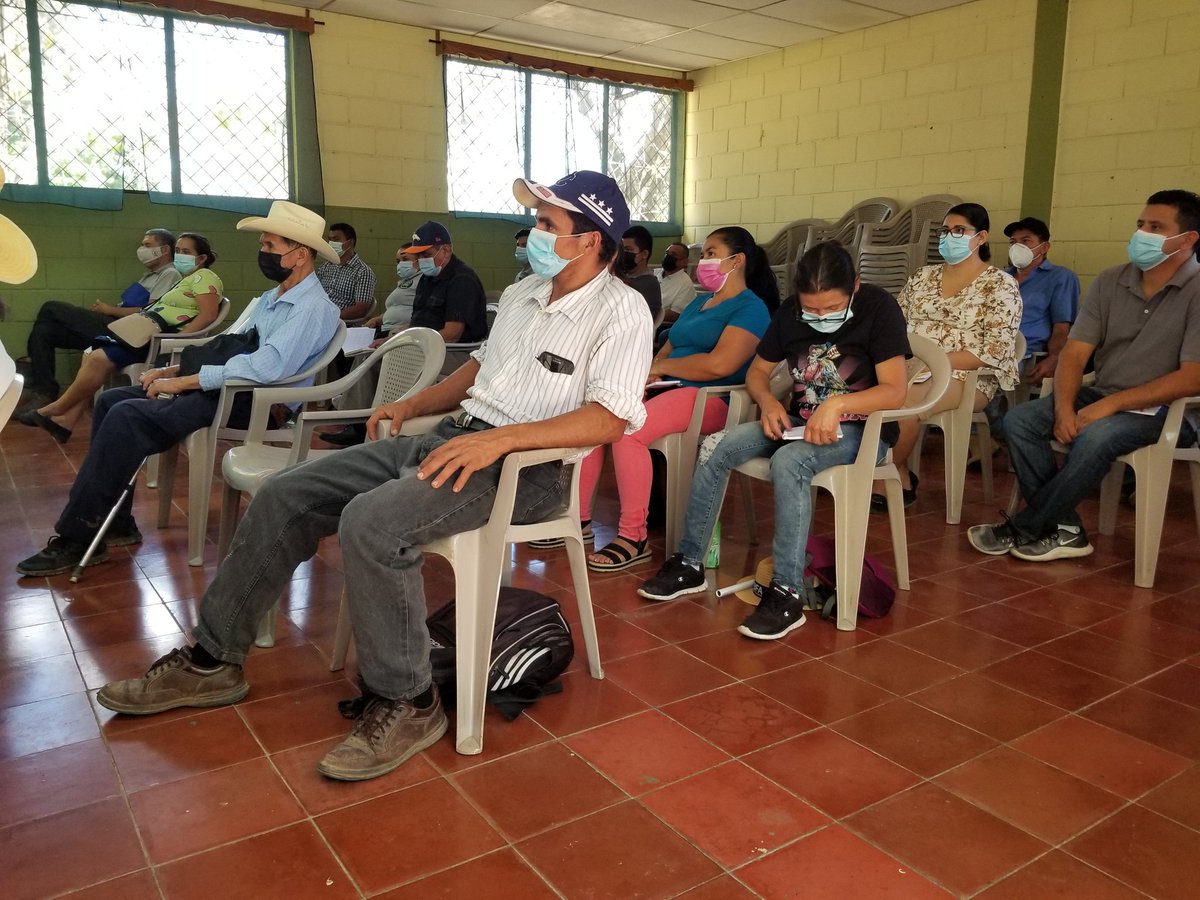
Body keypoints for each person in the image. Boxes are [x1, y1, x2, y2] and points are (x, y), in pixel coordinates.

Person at [92, 171, 653, 785]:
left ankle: (408, 701)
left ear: (593, 240)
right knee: (288, 493)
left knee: (372, 524)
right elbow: (478, 373)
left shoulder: (621, 312)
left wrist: (502, 439)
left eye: (550, 225)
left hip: (527, 468)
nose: (536, 235)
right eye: (538, 222)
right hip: (455, 438)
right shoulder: (524, 293)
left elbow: (610, 416)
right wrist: (414, 403)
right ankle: (212, 659)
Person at [16, 201, 342, 576]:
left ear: (299, 254)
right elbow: (229, 345)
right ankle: (118, 524)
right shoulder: (273, 298)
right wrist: (171, 369)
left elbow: (267, 367)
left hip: (258, 401)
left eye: (269, 246)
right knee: (110, 400)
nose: (262, 253)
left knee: (128, 416)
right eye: (263, 246)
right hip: (229, 389)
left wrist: (184, 381)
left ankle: (77, 537)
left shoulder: (314, 308)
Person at [637, 241, 910, 641]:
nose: (818, 316)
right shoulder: (789, 313)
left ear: (855, 285)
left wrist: (837, 406)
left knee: (790, 461)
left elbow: (894, 391)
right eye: (810, 309)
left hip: (861, 431)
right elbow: (759, 372)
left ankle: (786, 591)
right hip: (796, 424)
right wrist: (766, 403)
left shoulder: (879, 309)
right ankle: (689, 562)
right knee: (715, 445)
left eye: (831, 308)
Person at [969, 189, 1200, 562]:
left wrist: (1107, 407)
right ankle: (1068, 529)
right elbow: (1075, 352)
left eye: (1156, 227)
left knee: (1094, 436)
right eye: (1141, 224)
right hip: (1105, 394)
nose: (1142, 234)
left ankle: (1025, 526)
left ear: (1187, 239)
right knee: (1020, 420)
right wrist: (1062, 407)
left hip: (1169, 411)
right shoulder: (1112, 281)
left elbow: (1193, 377)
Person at [573, 226, 774, 571]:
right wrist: (648, 371)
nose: (702, 262)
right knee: (596, 414)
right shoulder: (699, 303)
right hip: (669, 388)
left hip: (713, 398)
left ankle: (633, 536)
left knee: (629, 431)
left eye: (711, 254)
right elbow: (664, 351)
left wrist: (663, 366)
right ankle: (577, 519)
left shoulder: (751, 309)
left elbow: (719, 364)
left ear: (736, 260)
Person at [870, 202, 1022, 509]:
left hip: (965, 375)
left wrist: (936, 362)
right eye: (945, 230)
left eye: (959, 230)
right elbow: (894, 324)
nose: (949, 237)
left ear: (981, 238)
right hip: (909, 365)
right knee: (861, 390)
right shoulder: (922, 277)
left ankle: (886, 474)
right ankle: (874, 466)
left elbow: (996, 348)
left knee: (904, 402)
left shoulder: (1000, 285)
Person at [16, 233, 223, 443]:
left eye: (186, 252)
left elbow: (208, 315)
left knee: (96, 357)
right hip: (146, 332)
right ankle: (67, 421)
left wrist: (175, 339)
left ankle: (55, 408)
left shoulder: (204, 277)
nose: (180, 255)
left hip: (158, 337)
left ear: (202, 258)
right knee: (91, 355)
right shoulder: (184, 280)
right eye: (178, 251)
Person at [20, 228, 180, 407]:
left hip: (125, 333)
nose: (141, 249)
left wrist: (109, 309)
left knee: (51, 308)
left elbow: (148, 313)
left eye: (147, 245)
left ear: (165, 250)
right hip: (115, 325)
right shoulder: (148, 277)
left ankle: (33, 371)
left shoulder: (170, 274)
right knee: (45, 332)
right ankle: (44, 391)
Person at [980, 217, 1081, 442]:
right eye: (1013, 241)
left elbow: (1062, 327)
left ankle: (1004, 437)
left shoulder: (1060, 277)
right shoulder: (1000, 278)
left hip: (1024, 348)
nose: (1018, 246)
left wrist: (1056, 358)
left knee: (987, 387)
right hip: (988, 343)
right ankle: (989, 437)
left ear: (1044, 247)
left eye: (1026, 240)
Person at [316, 222, 377, 322]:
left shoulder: (363, 272)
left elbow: (361, 309)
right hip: (316, 317)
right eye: (330, 239)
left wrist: (331, 316)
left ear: (350, 242)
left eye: (336, 239)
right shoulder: (326, 266)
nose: (331, 243)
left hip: (340, 324)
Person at [621, 225, 662, 322]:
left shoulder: (648, 284)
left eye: (628, 250)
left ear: (644, 254)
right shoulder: (626, 276)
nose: (623, 253)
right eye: (622, 249)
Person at [659, 242, 697, 326]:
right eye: (667, 253)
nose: (667, 257)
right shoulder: (654, 273)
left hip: (658, 325)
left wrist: (650, 315)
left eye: (673, 255)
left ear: (684, 261)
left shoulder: (685, 284)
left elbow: (675, 314)